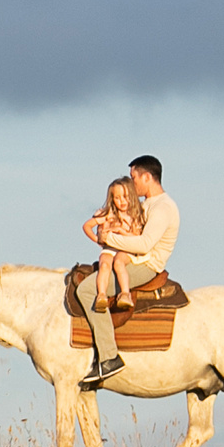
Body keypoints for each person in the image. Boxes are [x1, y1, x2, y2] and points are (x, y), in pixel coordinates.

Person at [76, 155, 177, 388]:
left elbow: (144, 244)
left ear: (147, 177)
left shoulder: (162, 207)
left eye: (134, 178)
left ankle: (109, 356)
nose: (132, 185)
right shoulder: (146, 204)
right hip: (133, 258)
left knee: (87, 290)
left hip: (146, 264)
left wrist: (108, 237)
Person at [87, 176, 147, 314]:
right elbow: (87, 226)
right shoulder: (107, 215)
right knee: (104, 265)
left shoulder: (135, 216)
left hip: (126, 249)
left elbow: (137, 238)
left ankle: (125, 294)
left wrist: (120, 231)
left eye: (125, 197)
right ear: (112, 199)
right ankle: (101, 295)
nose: (122, 201)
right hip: (109, 249)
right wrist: (97, 238)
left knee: (119, 263)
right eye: (117, 198)